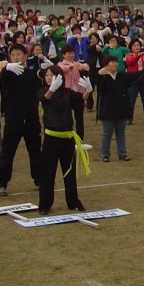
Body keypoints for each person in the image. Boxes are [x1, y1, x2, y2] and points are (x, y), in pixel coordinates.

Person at [37, 65, 92, 214]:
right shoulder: (43, 91)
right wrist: (52, 88)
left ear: (59, 77)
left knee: (69, 171)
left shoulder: (67, 93)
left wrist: (88, 90)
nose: (48, 78)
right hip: (51, 138)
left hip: (67, 138)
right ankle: (45, 205)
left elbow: (80, 100)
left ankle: (73, 201)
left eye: (52, 75)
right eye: (47, 75)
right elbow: (45, 98)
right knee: (48, 173)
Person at [0, 44, 45, 196]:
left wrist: (48, 69)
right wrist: (6, 67)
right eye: (13, 55)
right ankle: (1, 183)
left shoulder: (31, 74)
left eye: (19, 54)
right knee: (7, 152)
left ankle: (39, 179)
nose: (16, 57)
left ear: (25, 56)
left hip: (31, 118)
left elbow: (42, 79)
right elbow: (3, 76)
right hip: (13, 119)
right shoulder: (9, 74)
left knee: (35, 151)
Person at [94, 55, 144, 163]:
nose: (115, 64)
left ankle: (122, 153)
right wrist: (99, 74)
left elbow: (134, 75)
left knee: (120, 133)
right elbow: (98, 86)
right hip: (107, 109)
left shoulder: (121, 75)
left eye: (116, 62)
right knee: (107, 133)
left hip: (121, 108)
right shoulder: (103, 77)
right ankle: (104, 154)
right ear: (106, 64)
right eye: (112, 62)